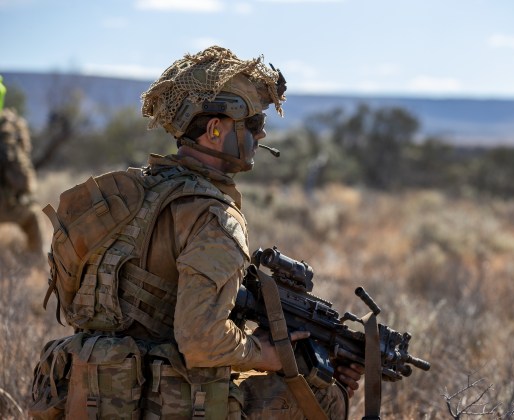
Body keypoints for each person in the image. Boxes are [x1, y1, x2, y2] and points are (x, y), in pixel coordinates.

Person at [31, 46, 363, 419]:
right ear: (214, 129)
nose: (262, 132)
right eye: (252, 123)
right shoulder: (213, 217)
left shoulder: (130, 194)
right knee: (323, 400)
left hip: (89, 394)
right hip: (162, 403)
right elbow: (200, 341)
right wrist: (265, 354)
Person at [0, 75, 43, 254]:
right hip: (6, 203)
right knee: (31, 217)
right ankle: (38, 263)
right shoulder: (9, 129)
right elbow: (22, 179)